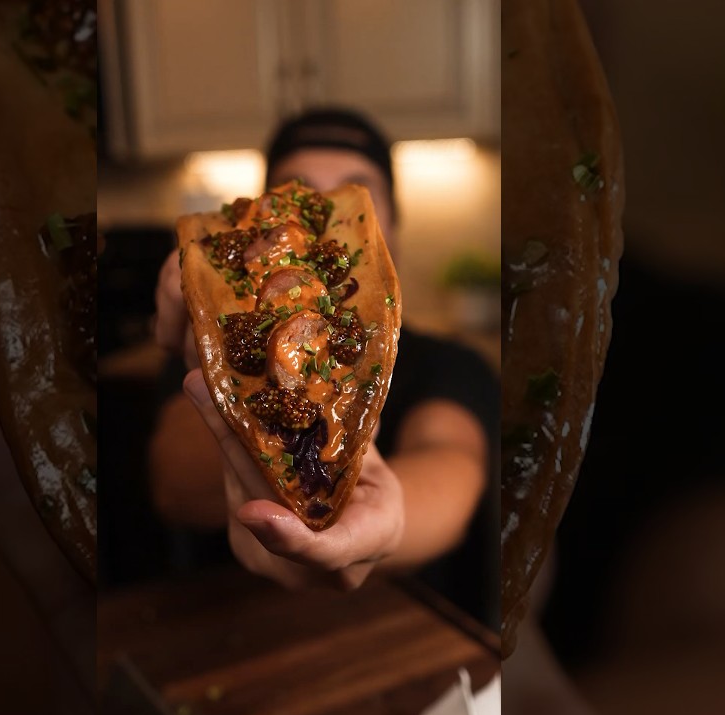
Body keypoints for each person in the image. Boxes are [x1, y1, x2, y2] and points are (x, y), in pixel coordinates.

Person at [145, 108, 502, 621]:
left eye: (354, 192)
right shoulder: (211, 347)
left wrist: (388, 523)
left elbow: (453, 468)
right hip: (233, 621)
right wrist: (207, 361)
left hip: (400, 624)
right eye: (295, 191)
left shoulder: (451, 362)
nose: (318, 212)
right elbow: (173, 489)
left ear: (394, 231)